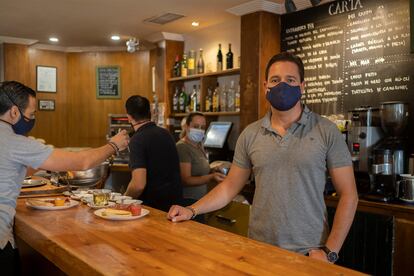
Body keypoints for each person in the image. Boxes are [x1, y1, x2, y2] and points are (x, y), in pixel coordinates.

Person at [168, 52, 358, 263]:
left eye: (290, 80)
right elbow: (230, 186)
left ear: (302, 86)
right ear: (265, 85)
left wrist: (330, 252)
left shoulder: (326, 130)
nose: (282, 86)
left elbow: (349, 195)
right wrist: (191, 210)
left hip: (310, 252)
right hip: (259, 248)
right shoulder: (251, 134)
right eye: (275, 81)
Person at [0, 81, 129, 275]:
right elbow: (83, 162)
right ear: (14, 112)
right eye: (32, 113)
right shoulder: (15, 142)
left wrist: (43, 159)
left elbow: (10, 170)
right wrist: (114, 145)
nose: (32, 118)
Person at [124, 95, 182, 212]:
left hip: (152, 208)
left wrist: (124, 200)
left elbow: (138, 185)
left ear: (129, 117)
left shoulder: (137, 139)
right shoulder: (166, 133)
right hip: (175, 206)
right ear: (150, 112)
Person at [176, 112, 225, 200]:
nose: (199, 130)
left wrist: (212, 170)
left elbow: (199, 170)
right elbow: (186, 180)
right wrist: (211, 177)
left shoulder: (199, 146)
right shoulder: (182, 147)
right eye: (195, 126)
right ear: (187, 127)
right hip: (189, 201)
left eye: (202, 127)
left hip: (201, 200)